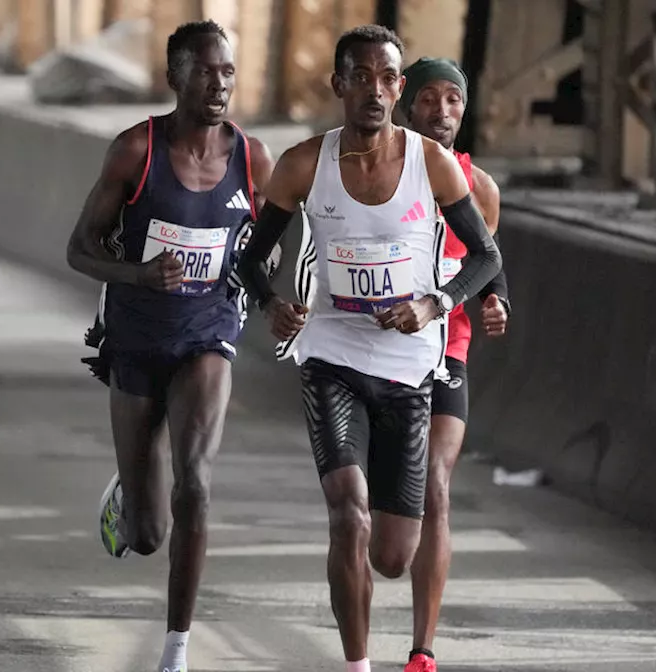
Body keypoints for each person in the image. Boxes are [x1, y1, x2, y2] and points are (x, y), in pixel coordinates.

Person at [237, 25, 502, 672]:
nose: (376, 91)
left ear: (397, 88)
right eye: (362, 78)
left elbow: (487, 257)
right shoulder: (304, 163)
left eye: (388, 79)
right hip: (331, 359)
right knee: (347, 514)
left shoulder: (432, 164)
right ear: (339, 86)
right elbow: (248, 260)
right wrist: (273, 305)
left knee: (391, 555)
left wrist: (433, 304)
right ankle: (357, 664)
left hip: (410, 371)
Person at [65, 20, 274, 672]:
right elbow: (79, 249)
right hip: (134, 335)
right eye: (207, 71)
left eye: (229, 71)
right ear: (175, 78)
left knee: (197, 482)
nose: (220, 84)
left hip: (209, 330)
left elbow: (261, 252)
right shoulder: (136, 151)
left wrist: (278, 301)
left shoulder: (252, 159)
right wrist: (138, 273)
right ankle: (131, 497)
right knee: (149, 535)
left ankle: (176, 650)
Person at [397, 57, 509, 672]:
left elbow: (490, 259)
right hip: (375, 350)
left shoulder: (478, 185)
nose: (442, 114)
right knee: (384, 504)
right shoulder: (374, 175)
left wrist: (496, 301)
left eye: (454, 102)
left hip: (446, 349)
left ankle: (423, 650)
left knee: (436, 485)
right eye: (429, 101)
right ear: (404, 106)